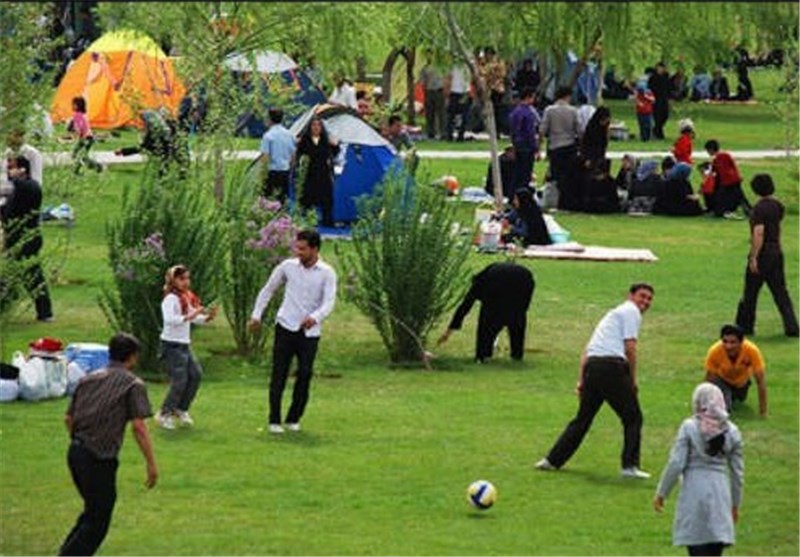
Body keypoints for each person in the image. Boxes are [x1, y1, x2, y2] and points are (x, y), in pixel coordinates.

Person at [535, 283, 655, 479]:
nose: (645, 302)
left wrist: (582, 379)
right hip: (611, 367)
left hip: (594, 366)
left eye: (649, 299)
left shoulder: (612, 315)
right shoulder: (630, 312)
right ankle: (629, 466)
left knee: (583, 418)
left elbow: (588, 349)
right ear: (631, 296)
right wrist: (632, 380)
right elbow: (630, 348)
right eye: (642, 296)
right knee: (633, 417)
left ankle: (552, 460)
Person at [59, 333, 158, 556]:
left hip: (76, 452)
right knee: (97, 521)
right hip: (99, 458)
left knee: (92, 513)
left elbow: (68, 418)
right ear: (132, 357)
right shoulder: (133, 384)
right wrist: (151, 464)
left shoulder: (89, 379)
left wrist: (79, 441)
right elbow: (139, 427)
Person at [248, 229, 337, 433]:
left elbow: (329, 302)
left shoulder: (327, 272)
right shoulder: (287, 267)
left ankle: (293, 418)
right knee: (279, 372)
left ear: (314, 249)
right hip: (285, 326)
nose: (298, 252)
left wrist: (315, 317)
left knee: (305, 373)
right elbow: (268, 289)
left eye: (303, 249)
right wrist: (256, 315)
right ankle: (274, 420)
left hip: (310, 332)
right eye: (297, 247)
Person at [653, 382, 744, 557]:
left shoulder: (690, 427)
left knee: (696, 548)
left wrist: (662, 492)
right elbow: (737, 474)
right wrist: (735, 504)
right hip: (720, 494)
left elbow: (676, 463)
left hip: (694, 491)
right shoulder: (732, 432)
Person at [735, 174, 799, 337]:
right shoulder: (778, 205)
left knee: (750, 292)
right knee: (780, 291)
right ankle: (791, 326)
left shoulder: (759, 208)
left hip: (763, 254)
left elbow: (759, 233)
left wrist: (754, 256)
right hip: (776, 251)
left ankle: (745, 326)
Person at [155, 265, 218, 430]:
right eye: (181, 279)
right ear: (172, 280)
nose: (185, 282)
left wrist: (207, 317)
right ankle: (164, 413)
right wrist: (190, 316)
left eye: (187, 278)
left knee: (196, 374)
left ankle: (181, 409)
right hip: (172, 344)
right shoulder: (170, 299)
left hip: (184, 344)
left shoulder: (186, 297)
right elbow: (170, 319)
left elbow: (194, 318)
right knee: (179, 380)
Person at [438, 261, 535, 363]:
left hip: (500, 288)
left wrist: (449, 332)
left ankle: (482, 355)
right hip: (524, 281)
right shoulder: (487, 276)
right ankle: (517, 354)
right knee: (517, 320)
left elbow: (465, 307)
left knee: (487, 325)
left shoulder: (479, 284)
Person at [1, 156, 53, 322]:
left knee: (33, 275)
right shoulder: (18, 190)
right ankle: (5, 306)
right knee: (7, 274)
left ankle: (45, 313)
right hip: (16, 238)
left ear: (22, 169)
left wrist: (15, 177)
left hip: (27, 238)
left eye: (12, 166)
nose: (8, 169)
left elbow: (22, 191)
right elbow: (8, 210)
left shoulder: (30, 186)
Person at [704, 324, 767, 415]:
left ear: (741, 342)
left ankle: (731, 395)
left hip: (741, 383)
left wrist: (763, 412)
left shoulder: (752, 351)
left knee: (739, 399)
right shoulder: (714, 351)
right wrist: (704, 405)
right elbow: (708, 380)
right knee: (725, 408)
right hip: (722, 380)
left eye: (733, 342)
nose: (728, 346)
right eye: (725, 341)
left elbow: (760, 382)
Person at [115, 109, 189, 178]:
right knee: (171, 153)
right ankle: (178, 169)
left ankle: (169, 170)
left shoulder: (154, 131)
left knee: (168, 153)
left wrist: (123, 151)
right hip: (172, 146)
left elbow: (142, 148)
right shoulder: (171, 125)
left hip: (167, 146)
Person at [540, 86, 580, 211]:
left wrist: (540, 143)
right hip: (569, 145)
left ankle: (555, 201)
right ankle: (566, 202)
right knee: (568, 175)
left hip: (555, 146)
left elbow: (543, 129)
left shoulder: (549, 110)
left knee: (556, 175)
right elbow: (578, 129)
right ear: (567, 96)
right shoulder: (573, 111)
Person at [295, 117, 340, 227]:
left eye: (318, 125)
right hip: (309, 172)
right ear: (310, 127)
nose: (316, 127)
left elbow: (334, 153)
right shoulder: (305, 140)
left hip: (323, 172)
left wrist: (335, 145)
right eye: (313, 125)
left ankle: (327, 221)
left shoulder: (325, 140)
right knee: (307, 198)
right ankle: (305, 220)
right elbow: (298, 155)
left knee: (326, 198)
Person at [258, 108, 296, 202]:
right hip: (285, 173)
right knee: (282, 201)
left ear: (270, 119)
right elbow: (293, 156)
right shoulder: (289, 135)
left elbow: (265, 158)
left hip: (272, 173)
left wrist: (262, 177)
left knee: (269, 203)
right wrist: (290, 172)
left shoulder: (268, 136)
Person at [704, 140, 750, 218]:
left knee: (721, 200)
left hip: (727, 183)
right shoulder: (724, 155)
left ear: (711, 149)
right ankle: (746, 209)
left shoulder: (719, 157)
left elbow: (718, 172)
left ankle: (721, 210)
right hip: (734, 180)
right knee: (740, 196)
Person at [508, 87, 541, 192]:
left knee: (517, 172)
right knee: (526, 173)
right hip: (527, 146)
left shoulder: (515, 112)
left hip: (517, 145)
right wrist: (536, 148)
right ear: (529, 97)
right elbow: (530, 132)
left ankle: (514, 194)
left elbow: (513, 131)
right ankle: (523, 194)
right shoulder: (529, 113)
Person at [69, 96, 103, 175]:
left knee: (78, 155)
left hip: (85, 138)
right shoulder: (81, 114)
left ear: (78, 105)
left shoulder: (77, 115)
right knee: (78, 154)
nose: (72, 106)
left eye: (74, 104)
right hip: (87, 138)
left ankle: (97, 167)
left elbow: (81, 127)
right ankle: (79, 170)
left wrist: (79, 134)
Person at [419, 53, 446, 140]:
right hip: (429, 91)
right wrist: (425, 92)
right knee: (430, 114)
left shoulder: (441, 67)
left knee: (441, 113)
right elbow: (422, 82)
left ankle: (443, 132)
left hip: (439, 91)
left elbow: (445, 79)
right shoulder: (425, 68)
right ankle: (431, 132)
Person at [445, 61, 471, 142]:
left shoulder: (468, 65)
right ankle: (451, 135)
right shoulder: (454, 65)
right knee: (452, 116)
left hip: (463, 92)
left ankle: (458, 135)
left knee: (462, 116)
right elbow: (449, 78)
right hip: (456, 91)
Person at [648, 62, 671, 140]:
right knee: (657, 116)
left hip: (664, 98)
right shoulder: (653, 77)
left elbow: (668, 87)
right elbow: (650, 88)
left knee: (665, 115)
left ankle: (656, 130)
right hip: (656, 98)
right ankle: (658, 133)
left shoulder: (666, 77)